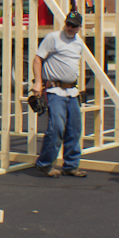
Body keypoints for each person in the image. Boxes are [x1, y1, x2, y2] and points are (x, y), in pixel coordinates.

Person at [32, 10, 88, 178]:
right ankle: (45, 163)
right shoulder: (53, 37)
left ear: (79, 27)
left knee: (74, 129)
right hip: (55, 90)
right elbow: (37, 59)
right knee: (56, 127)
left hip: (71, 91)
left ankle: (71, 165)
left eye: (74, 26)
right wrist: (38, 82)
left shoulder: (79, 42)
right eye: (68, 24)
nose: (70, 28)